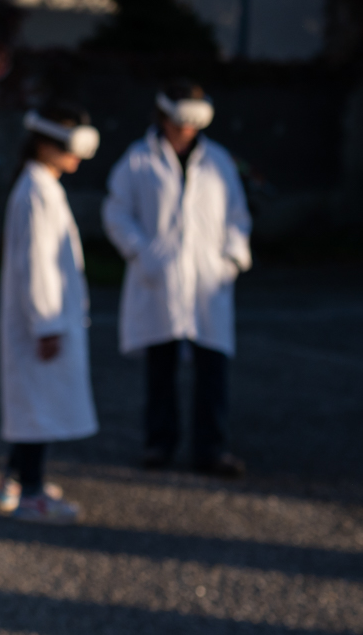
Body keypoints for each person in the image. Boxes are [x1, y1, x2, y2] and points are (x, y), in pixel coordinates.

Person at [101, 80, 252, 477]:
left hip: (207, 281)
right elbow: (116, 212)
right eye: (179, 122)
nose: (186, 131)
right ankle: (159, 443)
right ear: (164, 118)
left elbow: (237, 216)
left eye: (192, 123)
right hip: (160, 279)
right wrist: (141, 252)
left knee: (213, 368)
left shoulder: (218, 161)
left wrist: (230, 260)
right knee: (161, 368)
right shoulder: (138, 160)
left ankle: (212, 449)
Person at [0, 104, 101, 522]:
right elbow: (37, 264)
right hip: (43, 319)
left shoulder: (40, 185)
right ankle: (33, 494)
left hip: (42, 318)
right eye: (71, 146)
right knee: (38, 407)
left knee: (32, 404)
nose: (79, 156)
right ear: (45, 144)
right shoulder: (38, 192)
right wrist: (47, 324)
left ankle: (15, 479)